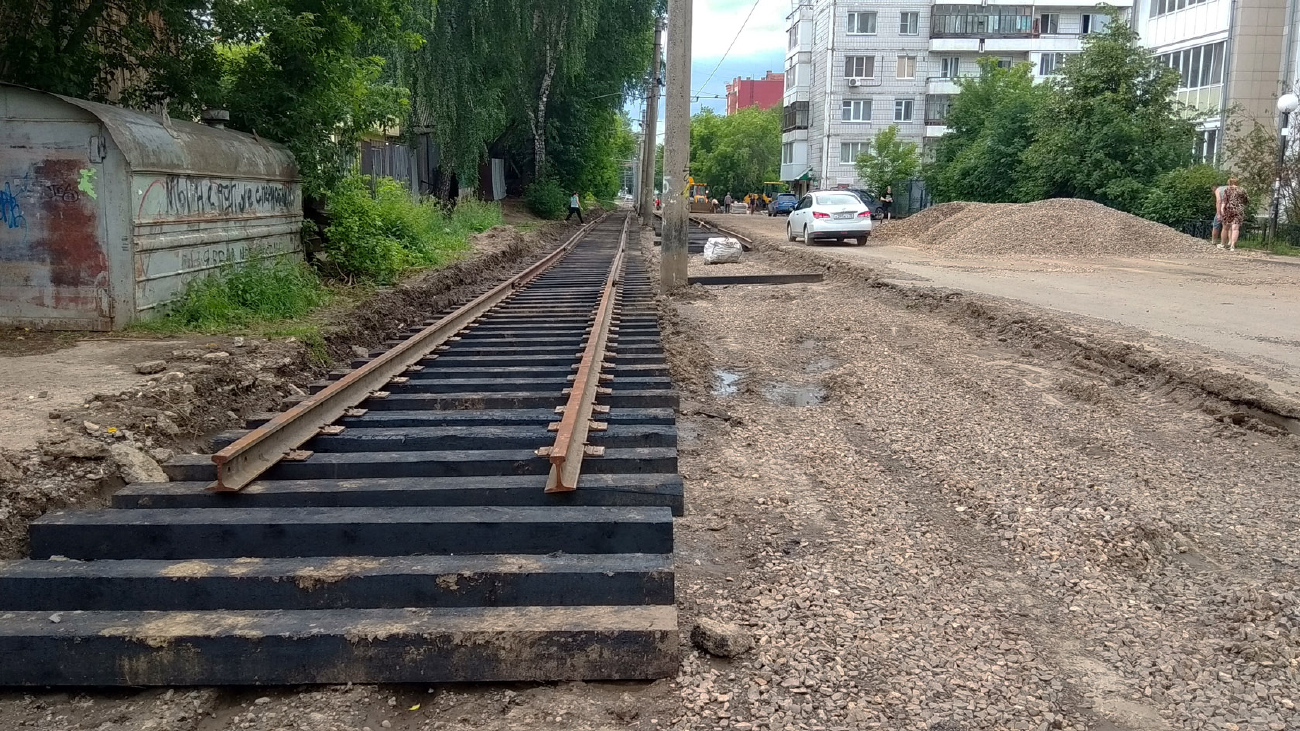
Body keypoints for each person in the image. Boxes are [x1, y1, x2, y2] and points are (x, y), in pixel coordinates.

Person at [1220, 177, 1248, 251]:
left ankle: (1223, 244)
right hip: (1238, 210)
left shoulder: (1228, 190)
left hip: (1228, 209)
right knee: (1235, 228)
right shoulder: (1242, 190)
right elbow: (1246, 200)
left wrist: (1222, 208)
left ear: (1230, 182)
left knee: (1225, 228)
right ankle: (1232, 246)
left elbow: (1224, 200)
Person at [1212, 182, 1228, 248]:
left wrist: (1218, 213)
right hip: (1230, 209)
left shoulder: (1218, 190)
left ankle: (1214, 241)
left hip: (1221, 209)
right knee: (1228, 227)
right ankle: (1229, 243)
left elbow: (1218, 201)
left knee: (1216, 225)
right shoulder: (1228, 188)